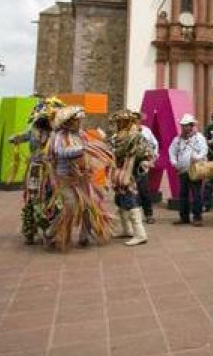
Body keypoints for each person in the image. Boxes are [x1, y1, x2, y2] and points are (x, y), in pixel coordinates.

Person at [45, 106, 114, 250]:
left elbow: (89, 147)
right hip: (65, 178)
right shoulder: (59, 136)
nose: (80, 123)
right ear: (68, 122)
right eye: (77, 121)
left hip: (83, 177)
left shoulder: (81, 135)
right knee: (71, 206)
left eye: (80, 120)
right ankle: (51, 232)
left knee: (90, 205)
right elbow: (61, 152)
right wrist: (83, 149)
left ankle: (85, 235)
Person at [8, 97, 64, 244]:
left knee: (52, 197)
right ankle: (30, 229)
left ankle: (52, 229)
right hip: (35, 168)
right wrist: (16, 138)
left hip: (53, 170)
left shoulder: (57, 133)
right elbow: (24, 136)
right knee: (33, 197)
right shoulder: (33, 130)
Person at [109, 110, 155, 246]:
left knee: (131, 201)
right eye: (118, 121)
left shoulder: (136, 136)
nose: (119, 124)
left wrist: (145, 161)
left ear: (128, 122)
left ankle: (140, 234)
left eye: (122, 121)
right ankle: (127, 229)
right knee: (120, 201)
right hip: (118, 172)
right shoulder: (117, 136)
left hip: (131, 174)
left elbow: (148, 152)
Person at [169, 114, 208, 226]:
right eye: (183, 126)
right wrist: (174, 163)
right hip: (182, 170)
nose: (184, 128)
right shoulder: (177, 139)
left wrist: (198, 157)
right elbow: (172, 151)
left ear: (192, 126)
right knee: (183, 195)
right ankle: (184, 217)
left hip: (196, 170)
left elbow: (204, 150)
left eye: (186, 125)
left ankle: (197, 217)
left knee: (196, 195)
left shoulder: (199, 137)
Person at [132, 111, 158, 224]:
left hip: (142, 164)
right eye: (134, 119)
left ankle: (149, 214)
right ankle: (134, 217)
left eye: (138, 119)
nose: (137, 121)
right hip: (129, 164)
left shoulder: (146, 130)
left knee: (144, 190)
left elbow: (154, 144)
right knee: (131, 191)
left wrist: (151, 158)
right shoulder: (127, 131)